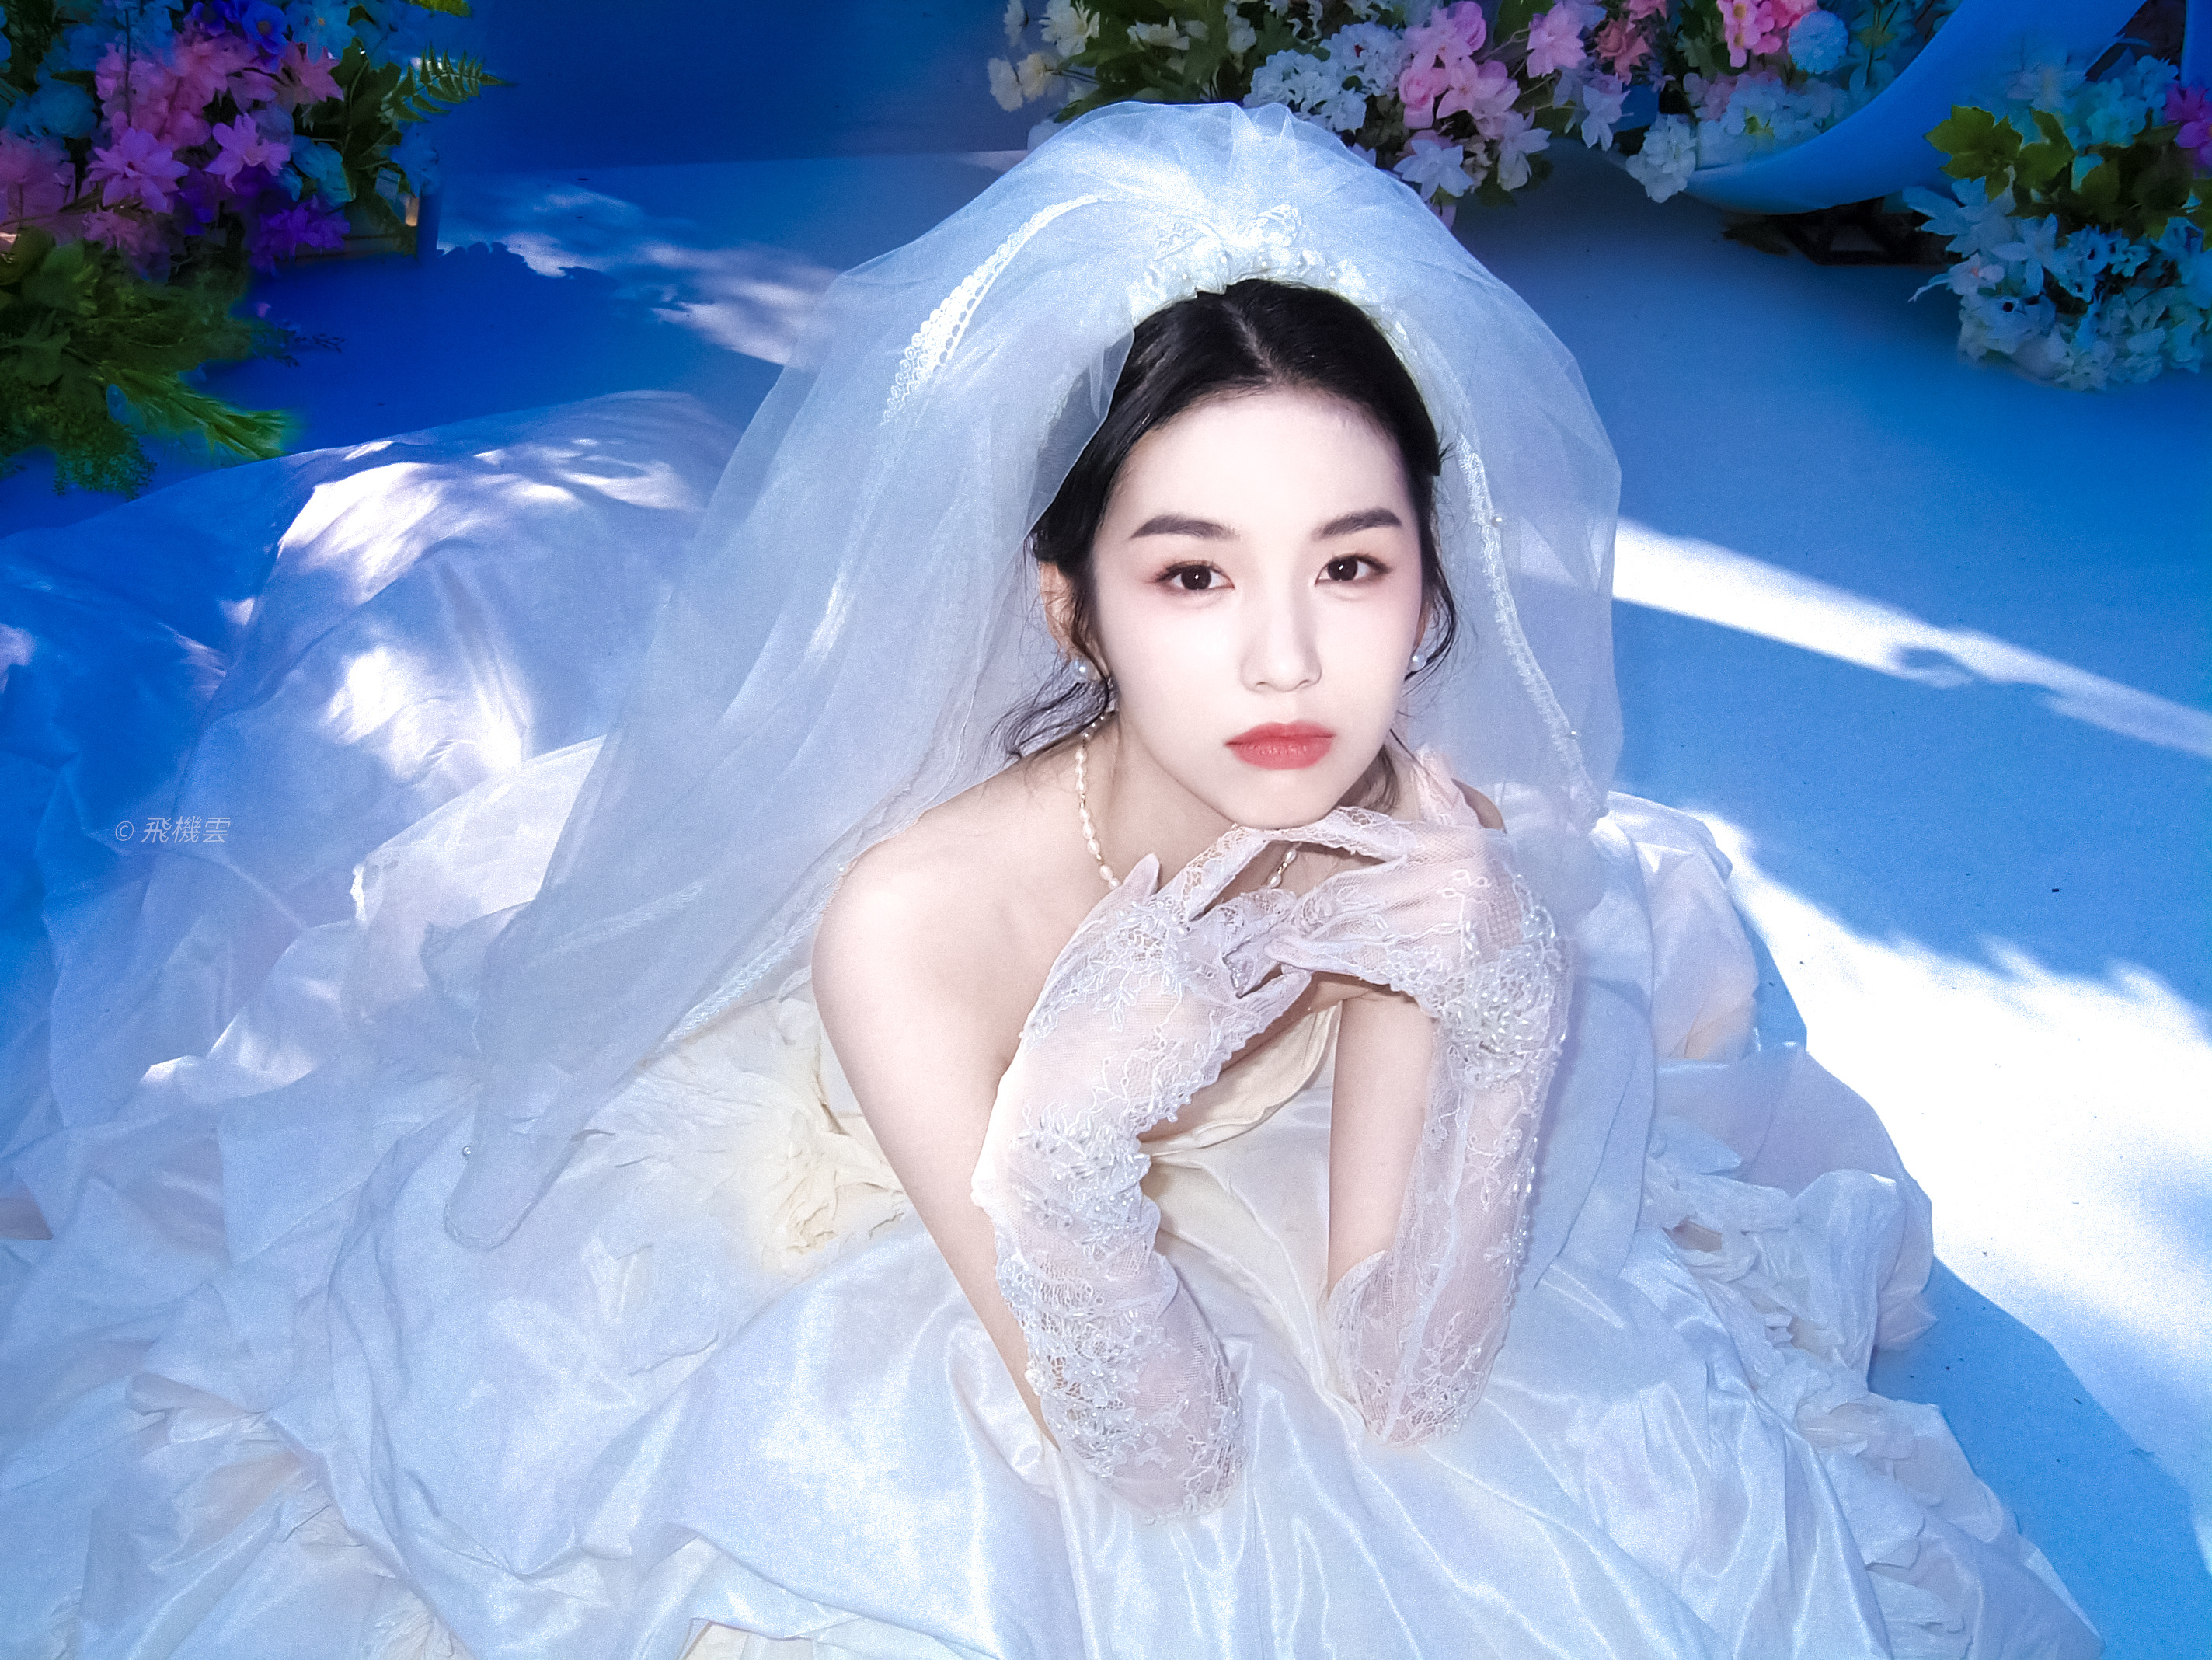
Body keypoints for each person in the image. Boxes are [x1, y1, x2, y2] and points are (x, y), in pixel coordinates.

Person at [0, 102, 2098, 1659]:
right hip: (966, 1275)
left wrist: (1503, 1013)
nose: (1287, 665)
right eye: (1192, 575)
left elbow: (1400, 1381)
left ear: (1429, 586)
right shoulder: (914, 923)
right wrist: (1072, 1140)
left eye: (1352, 567)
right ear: (1069, 604)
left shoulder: (1407, 839)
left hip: (1219, 1257)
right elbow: (1159, 1459)